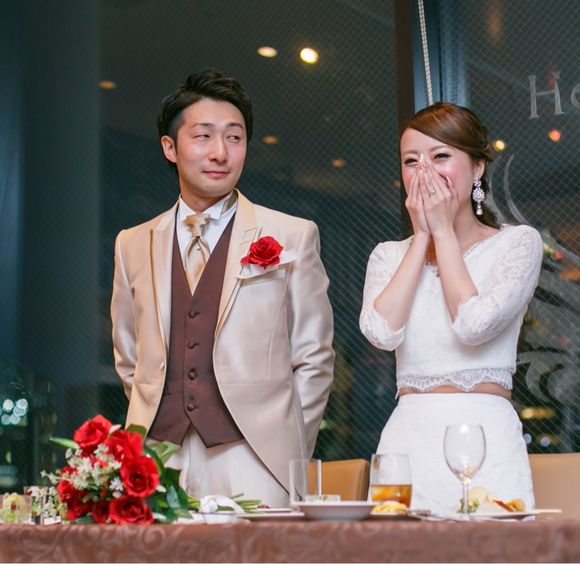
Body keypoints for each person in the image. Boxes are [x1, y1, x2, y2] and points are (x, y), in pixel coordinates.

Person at [111, 69, 334, 507]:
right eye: (203, 136)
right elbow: (130, 360)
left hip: (257, 457)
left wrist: (287, 449)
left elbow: (315, 358)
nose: (220, 152)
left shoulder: (292, 234)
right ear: (170, 147)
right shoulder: (132, 243)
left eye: (234, 137)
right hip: (160, 458)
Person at [360, 102, 543, 515]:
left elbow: (473, 325)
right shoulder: (388, 255)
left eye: (440, 156)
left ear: (477, 167)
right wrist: (422, 238)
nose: (424, 172)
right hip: (407, 442)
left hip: (484, 440)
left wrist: (442, 232)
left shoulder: (516, 243)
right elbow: (380, 333)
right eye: (411, 161)